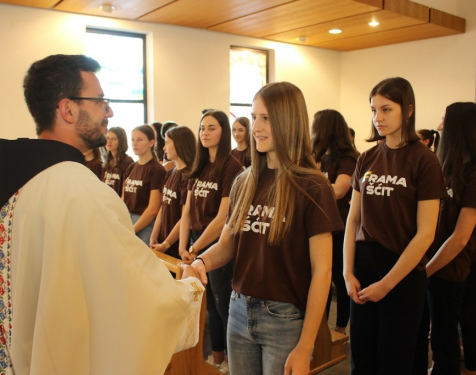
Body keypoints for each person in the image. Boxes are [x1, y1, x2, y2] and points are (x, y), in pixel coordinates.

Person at [0, 54, 204, 375]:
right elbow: (138, 298)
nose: (109, 111)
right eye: (99, 101)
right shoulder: (81, 192)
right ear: (68, 109)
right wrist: (189, 290)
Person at [191, 82, 342, 375]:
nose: (255, 127)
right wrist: (201, 261)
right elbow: (227, 244)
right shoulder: (244, 181)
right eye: (254, 117)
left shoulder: (312, 186)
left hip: (283, 318)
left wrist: (306, 345)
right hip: (238, 310)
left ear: (288, 120)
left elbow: (322, 272)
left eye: (266, 118)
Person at [343, 77, 446, 374]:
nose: (378, 118)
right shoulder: (367, 157)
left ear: (408, 110)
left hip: (402, 273)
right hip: (364, 268)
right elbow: (354, 220)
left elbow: (425, 234)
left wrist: (387, 285)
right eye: (374, 110)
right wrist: (347, 272)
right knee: (362, 357)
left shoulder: (424, 161)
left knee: (394, 360)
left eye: (386, 109)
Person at [179, 109, 243, 372]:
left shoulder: (232, 166)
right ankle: (216, 357)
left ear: (223, 132)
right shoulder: (200, 164)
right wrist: (184, 245)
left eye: (212, 128)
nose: (205, 133)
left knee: (223, 305)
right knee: (207, 308)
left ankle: (230, 358)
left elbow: (222, 218)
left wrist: (195, 249)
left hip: (217, 245)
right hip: (195, 243)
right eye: (202, 128)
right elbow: (187, 210)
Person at [423, 102, 476, 375]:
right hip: (435, 263)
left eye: (444, 120)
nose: (439, 126)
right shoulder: (443, 164)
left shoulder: (472, 172)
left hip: (451, 267)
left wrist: (426, 271)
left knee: (445, 335)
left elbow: (460, 238)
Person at [311, 109, 359, 335]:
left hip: (340, 227)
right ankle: (320, 330)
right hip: (320, 225)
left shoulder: (348, 158)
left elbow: (339, 190)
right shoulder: (320, 155)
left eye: (316, 125)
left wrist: (313, 183)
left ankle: (340, 330)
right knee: (321, 278)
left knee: (339, 280)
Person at [150, 126, 196, 259]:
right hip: (162, 240)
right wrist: (154, 236)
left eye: (167, 142)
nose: (164, 148)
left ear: (179, 144)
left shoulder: (188, 176)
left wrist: (166, 244)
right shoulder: (171, 171)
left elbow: (184, 217)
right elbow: (163, 206)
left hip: (176, 245)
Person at [123, 125, 166, 244]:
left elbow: (153, 208)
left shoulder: (156, 170)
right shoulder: (131, 167)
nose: (134, 143)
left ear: (151, 142)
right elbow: (123, 198)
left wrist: (133, 229)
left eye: (140, 139)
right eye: (132, 139)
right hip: (127, 220)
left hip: (145, 224)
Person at [103, 126, 134, 196]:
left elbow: (127, 188)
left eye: (114, 139)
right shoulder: (107, 161)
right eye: (107, 138)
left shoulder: (128, 161)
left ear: (121, 141)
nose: (109, 141)